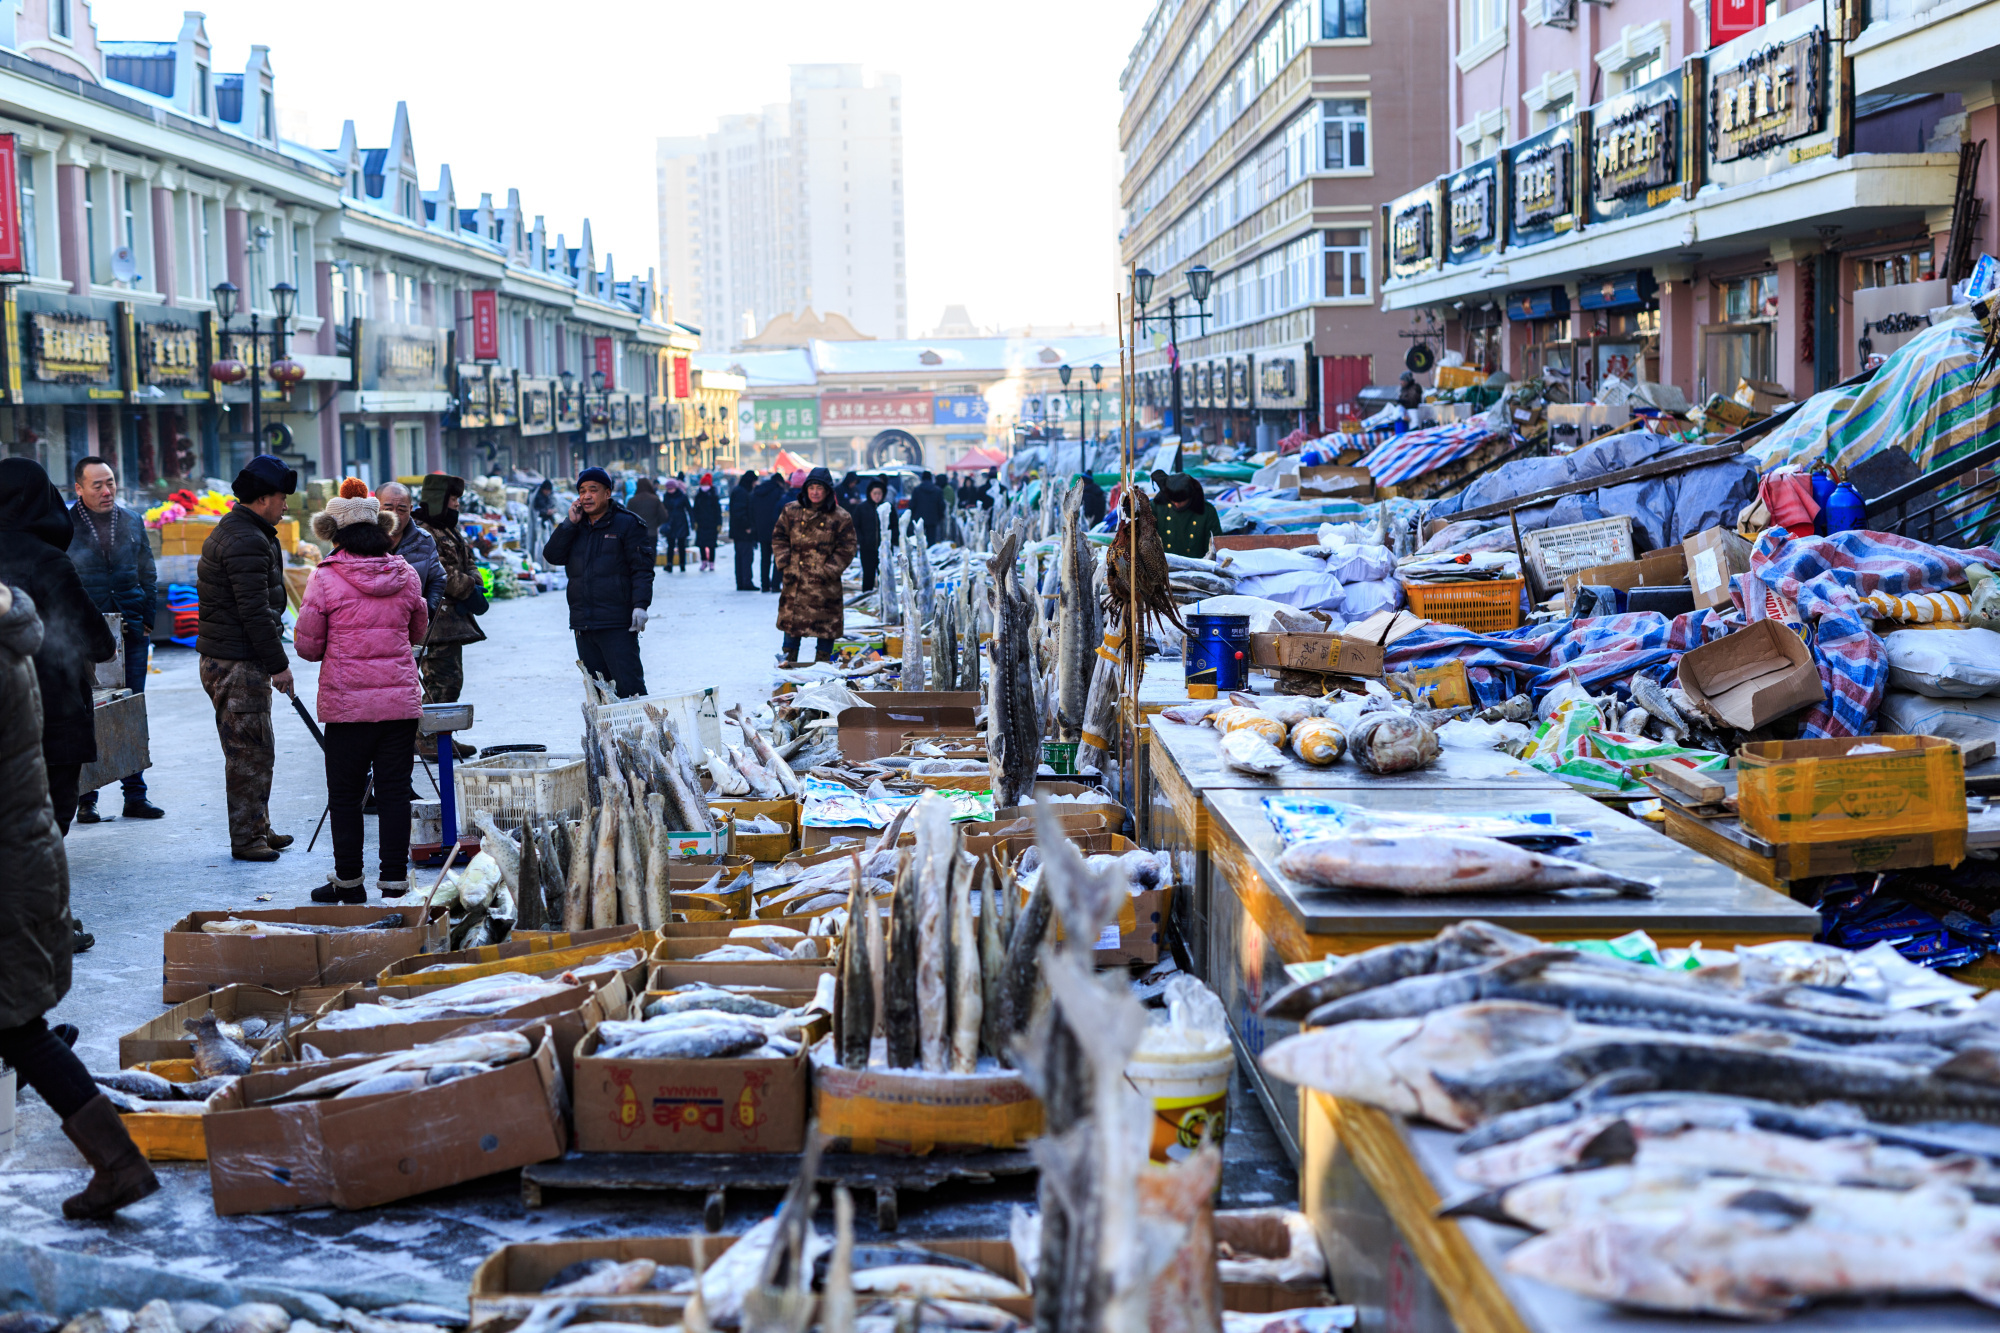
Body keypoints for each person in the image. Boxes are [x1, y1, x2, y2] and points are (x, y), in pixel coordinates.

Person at [0, 581, 159, 1218]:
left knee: (17, 1026)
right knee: (17, 1026)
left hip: (9, 863)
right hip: (22, 850)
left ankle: (120, 1165)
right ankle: (118, 1164)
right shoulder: (13, 634)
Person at [295, 480, 427, 903]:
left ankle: (349, 882)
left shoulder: (326, 578)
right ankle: (394, 882)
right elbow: (418, 630)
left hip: (348, 706)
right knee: (394, 793)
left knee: (346, 795)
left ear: (335, 535)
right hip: (397, 706)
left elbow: (307, 646)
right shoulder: (405, 573)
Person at [0, 458, 117, 854]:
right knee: (46, 825)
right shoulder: (47, 560)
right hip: (48, 716)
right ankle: (39, 916)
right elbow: (98, 642)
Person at [195, 454, 296, 863]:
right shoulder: (246, 541)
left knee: (258, 747)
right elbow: (253, 613)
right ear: (262, 498)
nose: (286, 505)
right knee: (247, 752)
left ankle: (258, 825)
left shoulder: (247, 531)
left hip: (236, 657)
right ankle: (247, 838)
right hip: (236, 662)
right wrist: (280, 665)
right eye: (281, 497)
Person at [65, 455, 163, 823]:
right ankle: (85, 798)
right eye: (97, 485)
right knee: (84, 712)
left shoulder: (132, 520)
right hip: (84, 634)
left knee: (131, 710)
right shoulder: (65, 524)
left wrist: (147, 616)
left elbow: (147, 571)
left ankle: (135, 796)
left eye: (110, 483)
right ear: (78, 488)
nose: (107, 491)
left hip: (131, 629)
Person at [543, 466, 654, 697]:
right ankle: (608, 735)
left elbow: (642, 570)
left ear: (607, 493)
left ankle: (639, 734)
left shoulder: (628, 524)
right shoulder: (575, 526)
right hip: (583, 624)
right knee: (598, 693)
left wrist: (640, 605)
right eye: (582, 491)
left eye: (593, 490)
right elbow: (552, 556)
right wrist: (568, 525)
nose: (586, 496)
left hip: (617, 623)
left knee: (629, 689)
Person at [413, 474, 486, 742]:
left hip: (450, 623)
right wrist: (468, 589)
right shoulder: (422, 531)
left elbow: (469, 562)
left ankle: (436, 737)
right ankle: (429, 738)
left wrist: (473, 584)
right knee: (442, 681)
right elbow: (439, 573)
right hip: (434, 623)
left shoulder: (447, 528)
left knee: (450, 679)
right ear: (438, 500)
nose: (456, 504)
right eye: (452, 499)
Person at [771, 466, 857, 666]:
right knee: (792, 632)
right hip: (796, 583)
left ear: (827, 491)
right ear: (805, 489)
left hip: (824, 587)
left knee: (825, 631)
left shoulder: (840, 517)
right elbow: (778, 537)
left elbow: (848, 547)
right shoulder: (791, 511)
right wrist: (785, 563)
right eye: (811, 487)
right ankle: (787, 671)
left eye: (819, 487)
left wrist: (829, 570)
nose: (815, 492)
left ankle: (821, 674)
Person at [376, 481, 445, 616]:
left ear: (411, 509)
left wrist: (426, 613)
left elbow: (438, 578)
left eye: (401, 510)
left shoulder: (424, 540)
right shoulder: (359, 540)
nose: (395, 515)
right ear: (375, 507)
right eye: (388, 509)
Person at [1150, 469, 1226, 560]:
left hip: (1197, 566)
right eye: (1173, 501)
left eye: (1181, 501)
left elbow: (1214, 546)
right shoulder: (1157, 507)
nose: (1177, 504)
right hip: (1165, 564)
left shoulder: (1207, 511)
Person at [846, 477, 885, 593]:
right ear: (870, 493)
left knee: (884, 575)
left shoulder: (887, 507)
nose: (877, 496)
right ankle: (867, 596)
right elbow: (855, 526)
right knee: (868, 574)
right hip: (867, 548)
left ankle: (884, 599)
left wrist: (891, 541)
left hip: (883, 549)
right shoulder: (862, 508)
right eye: (875, 493)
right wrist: (861, 540)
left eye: (880, 493)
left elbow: (893, 526)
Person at [751, 470, 787, 593]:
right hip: (776, 529)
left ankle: (765, 585)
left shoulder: (758, 492)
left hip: (761, 529)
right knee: (778, 558)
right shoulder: (778, 492)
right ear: (779, 482)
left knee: (764, 558)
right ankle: (775, 585)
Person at [626, 476, 667, 563]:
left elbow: (627, 518)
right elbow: (664, 516)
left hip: (637, 534)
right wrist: (656, 524)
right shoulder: (655, 499)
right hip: (652, 532)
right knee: (651, 556)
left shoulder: (632, 501)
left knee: (639, 557)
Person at [730, 470, 759, 591]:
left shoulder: (739, 491)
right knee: (746, 557)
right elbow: (740, 512)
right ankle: (746, 582)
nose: (754, 485)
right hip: (742, 531)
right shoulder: (742, 493)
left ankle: (742, 582)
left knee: (741, 557)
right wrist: (747, 526)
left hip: (738, 531)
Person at [659, 478, 692, 573]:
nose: (670, 491)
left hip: (681, 522)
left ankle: (682, 564)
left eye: (671, 489)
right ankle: (669, 564)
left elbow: (689, 509)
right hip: (670, 523)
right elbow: (664, 509)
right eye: (668, 489)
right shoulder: (666, 496)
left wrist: (693, 522)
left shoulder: (683, 496)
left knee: (682, 545)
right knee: (670, 545)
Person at [691, 473, 722, 572]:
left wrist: (719, 523)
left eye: (705, 484)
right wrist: (694, 522)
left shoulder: (714, 496)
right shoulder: (698, 496)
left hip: (712, 524)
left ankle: (711, 563)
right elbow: (695, 510)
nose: (704, 487)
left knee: (712, 545)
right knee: (701, 544)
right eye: (702, 484)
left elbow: (718, 511)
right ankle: (704, 561)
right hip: (701, 524)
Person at [908, 470, 945, 546]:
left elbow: (912, 505)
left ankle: (921, 555)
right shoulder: (937, 490)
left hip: (919, 519)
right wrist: (940, 517)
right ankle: (930, 555)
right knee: (932, 540)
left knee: (919, 540)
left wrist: (913, 517)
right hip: (933, 518)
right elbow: (941, 505)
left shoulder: (917, 490)